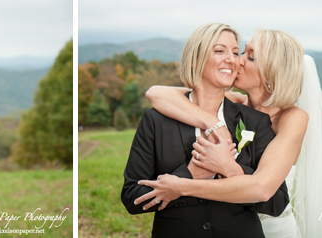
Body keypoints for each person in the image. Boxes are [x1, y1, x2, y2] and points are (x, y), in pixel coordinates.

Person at [142, 29, 322, 237]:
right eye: (242, 53)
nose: (238, 61)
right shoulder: (234, 103)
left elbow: (262, 189)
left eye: (251, 56)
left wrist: (188, 183)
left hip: (273, 228)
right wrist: (213, 123)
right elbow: (156, 93)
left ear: (274, 70)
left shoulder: (292, 117)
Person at [120, 23, 289, 237]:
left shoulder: (255, 122)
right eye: (220, 51)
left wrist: (230, 168)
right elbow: (132, 198)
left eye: (236, 53)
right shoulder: (155, 120)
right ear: (194, 60)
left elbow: (278, 202)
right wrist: (189, 174)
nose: (232, 59)